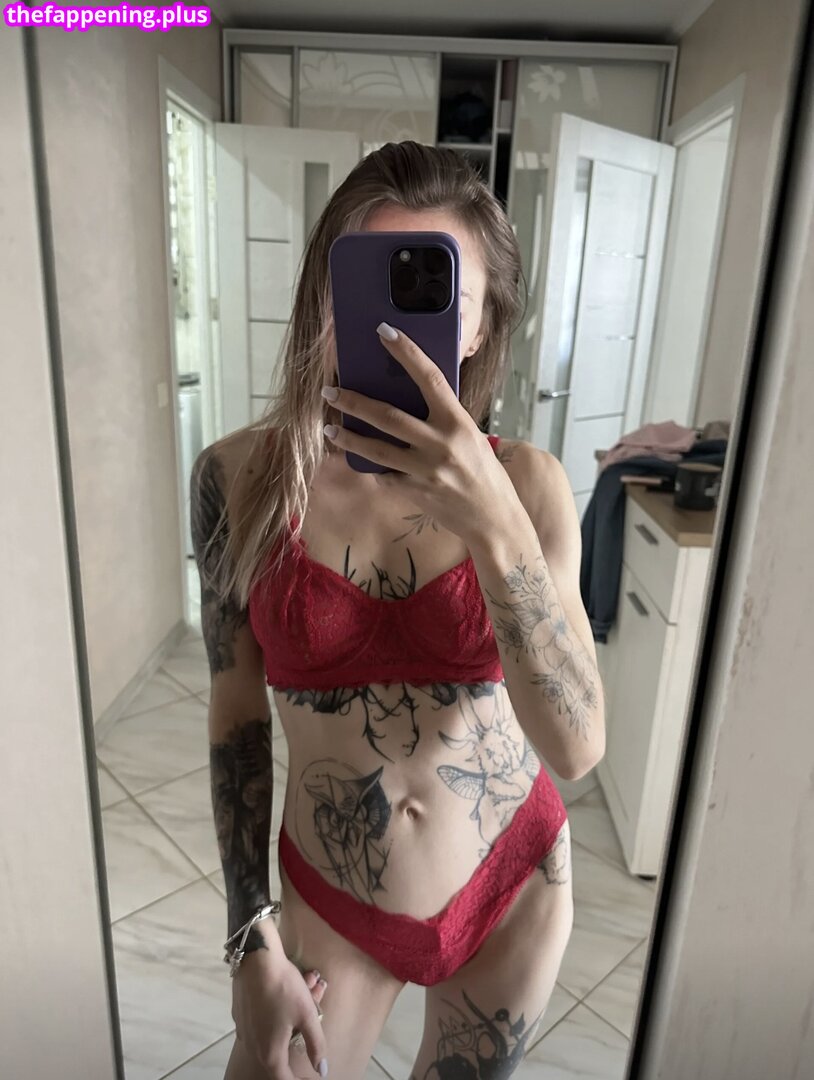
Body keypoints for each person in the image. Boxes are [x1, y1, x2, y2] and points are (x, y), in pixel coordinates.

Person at [190, 141, 605, 1080]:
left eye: (436, 298)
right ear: (324, 297)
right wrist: (249, 934)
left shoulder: (530, 486)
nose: (393, 335)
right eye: (368, 290)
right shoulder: (237, 480)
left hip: (512, 882)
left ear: (481, 324)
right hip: (332, 894)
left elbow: (578, 746)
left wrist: (494, 524)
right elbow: (235, 709)